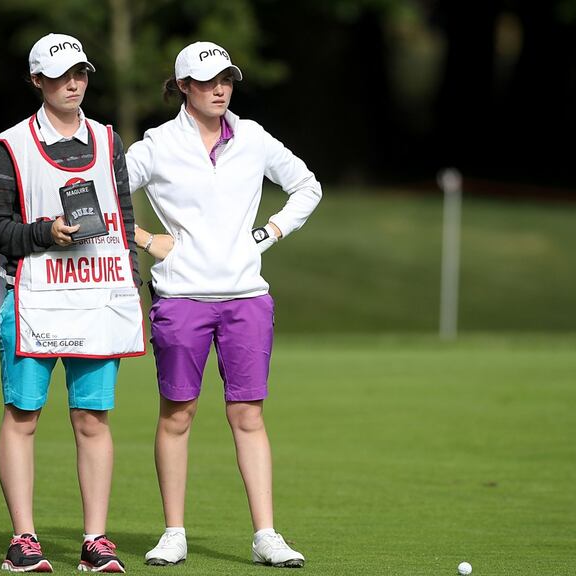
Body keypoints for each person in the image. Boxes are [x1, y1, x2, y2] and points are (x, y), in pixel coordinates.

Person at [126, 41, 322, 568]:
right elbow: (101, 193)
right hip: (181, 296)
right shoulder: (157, 144)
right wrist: (146, 239)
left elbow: (306, 186)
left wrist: (269, 232)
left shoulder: (253, 137)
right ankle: (173, 533)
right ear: (184, 86)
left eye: (228, 79)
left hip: (245, 297)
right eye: (209, 80)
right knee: (177, 414)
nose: (220, 89)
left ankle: (266, 535)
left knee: (248, 414)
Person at [0, 32, 144, 574]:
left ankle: (96, 540)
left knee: (93, 419)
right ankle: (23, 540)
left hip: (97, 297)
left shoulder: (109, 140)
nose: (74, 82)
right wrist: (47, 233)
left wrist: (130, 291)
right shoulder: (11, 146)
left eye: (81, 72)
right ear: (37, 81)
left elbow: (123, 218)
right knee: (23, 415)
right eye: (61, 74)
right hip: (32, 301)